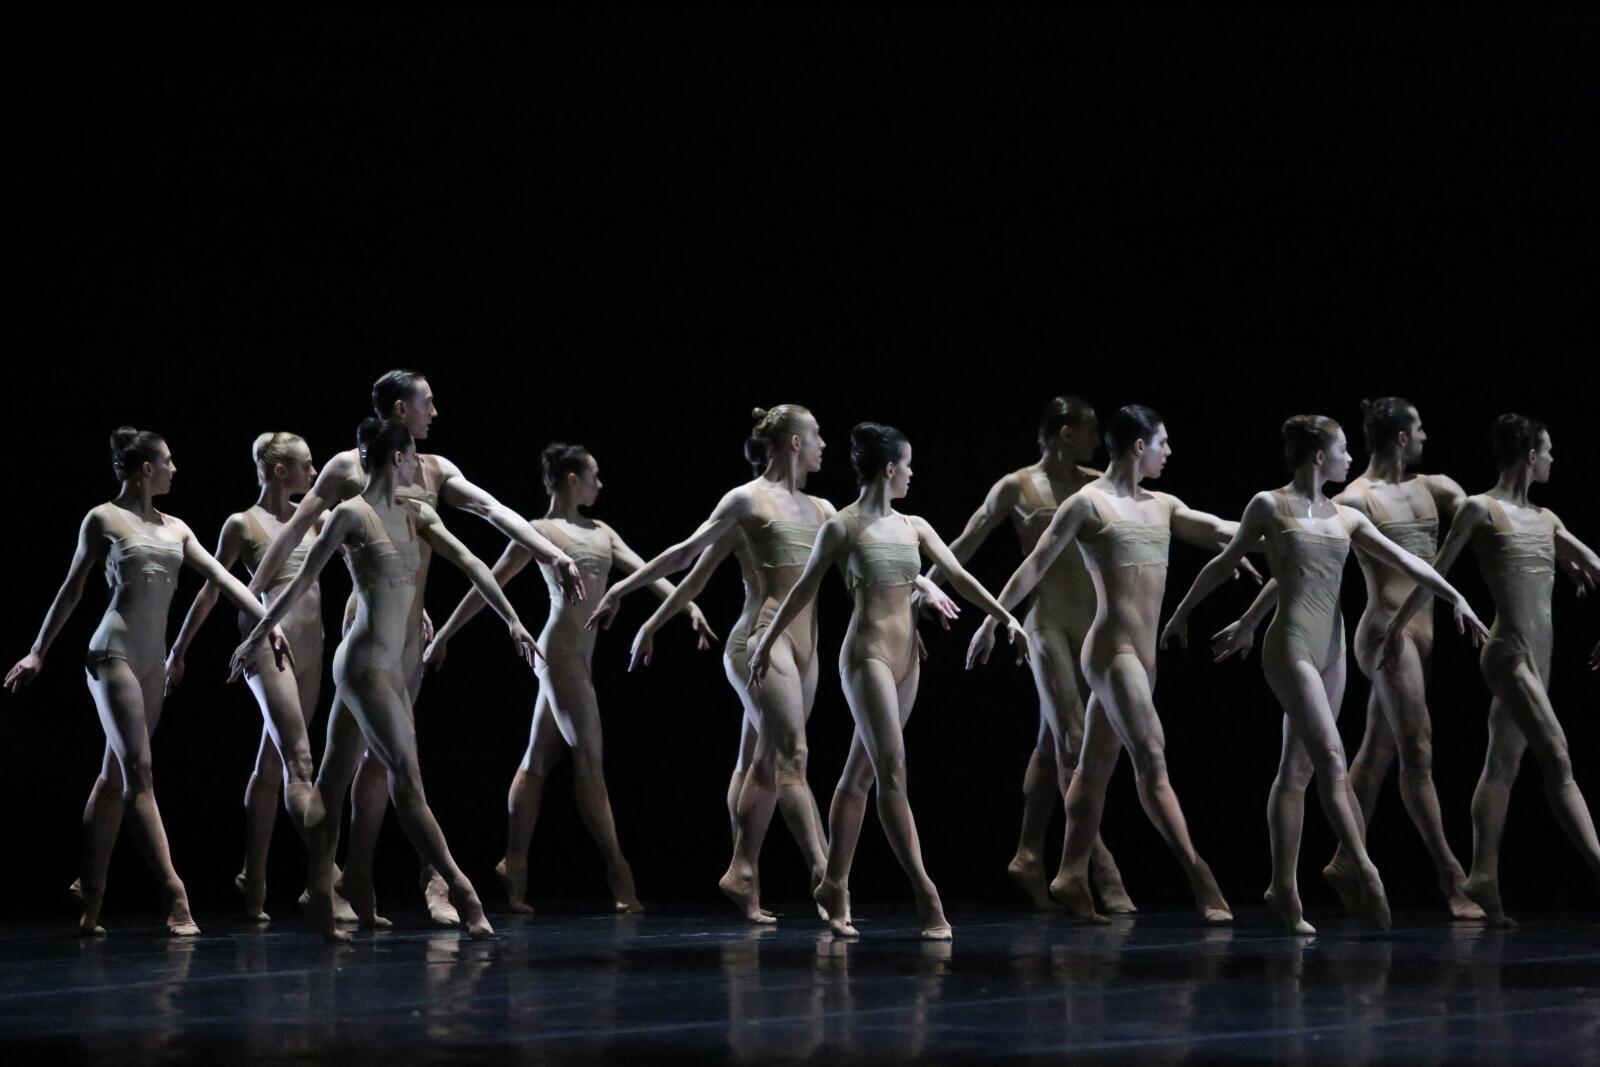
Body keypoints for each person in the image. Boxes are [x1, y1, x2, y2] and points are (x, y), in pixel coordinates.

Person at [248, 369, 583, 927]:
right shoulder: (348, 468)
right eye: (427, 402)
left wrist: (549, 552)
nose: (435, 412)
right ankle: (366, 881)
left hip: (409, 635)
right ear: (400, 410)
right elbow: (297, 535)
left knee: (378, 766)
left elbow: (491, 511)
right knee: (370, 767)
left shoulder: (434, 470)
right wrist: (255, 603)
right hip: (368, 629)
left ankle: (357, 876)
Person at [1163, 414, 1488, 933]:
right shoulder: (1269, 504)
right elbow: (1226, 562)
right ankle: (1365, 868)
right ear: (1319, 457)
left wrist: (1457, 598)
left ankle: (1283, 889)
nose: (1350, 458)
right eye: (1342, 450)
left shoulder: (1345, 517)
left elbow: (1408, 561)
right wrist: (1185, 613)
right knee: (1333, 757)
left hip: (1331, 648)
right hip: (1290, 647)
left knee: (1297, 771)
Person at [6, 427, 291, 936]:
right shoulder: (103, 518)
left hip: (152, 663)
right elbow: (72, 588)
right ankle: (175, 895)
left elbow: (223, 579)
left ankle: (90, 893)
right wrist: (37, 651)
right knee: (140, 770)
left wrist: (268, 622)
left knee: (114, 776)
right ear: (146, 469)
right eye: (168, 461)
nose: (174, 469)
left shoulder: (177, 528)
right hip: (111, 654)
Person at [969, 405, 1247, 925]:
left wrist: (1269, 532)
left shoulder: (1163, 504)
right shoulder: (1088, 503)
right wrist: (994, 619)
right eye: (1163, 443)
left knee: (1093, 768)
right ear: (1139, 446)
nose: (1169, 452)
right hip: (1111, 653)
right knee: (1152, 757)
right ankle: (1201, 878)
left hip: (1143, 658)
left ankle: (1071, 873)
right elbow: (1035, 563)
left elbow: (1216, 528)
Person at [750, 422, 1026, 939]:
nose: (913, 474)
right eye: (909, 465)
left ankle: (833, 883)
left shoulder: (913, 525)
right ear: (890, 468)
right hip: (866, 657)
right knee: (893, 773)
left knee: (859, 778)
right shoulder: (843, 526)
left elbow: (958, 575)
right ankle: (927, 896)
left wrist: (1004, 616)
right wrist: (764, 644)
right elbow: (802, 589)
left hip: (907, 660)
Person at [424, 443, 716, 913]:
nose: (600, 485)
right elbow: (490, 582)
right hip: (558, 652)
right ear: (571, 480)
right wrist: (444, 635)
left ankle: (514, 863)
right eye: (594, 476)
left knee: (537, 762)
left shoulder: (602, 532)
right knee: (590, 759)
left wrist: (688, 606)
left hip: (581, 656)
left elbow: (646, 570)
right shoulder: (539, 532)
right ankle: (619, 874)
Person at [586, 405, 834, 921]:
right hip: (758, 642)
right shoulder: (747, 500)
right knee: (792, 754)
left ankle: (743, 871)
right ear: (793, 442)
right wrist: (627, 593)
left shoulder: (823, 509)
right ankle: (827, 878)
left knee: (762, 761)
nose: (823, 445)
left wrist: (919, 590)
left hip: (807, 648)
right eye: (816, 435)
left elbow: (864, 552)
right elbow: (688, 559)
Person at [1379, 414, 1600, 925]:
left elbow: (1594, 563)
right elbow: (1436, 568)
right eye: (1547, 451)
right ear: (1530, 456)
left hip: (1541, 659)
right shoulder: (1481, 508)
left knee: (1501, 766)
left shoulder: (1547, 519)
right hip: (1507, 655)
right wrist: (1396, 627)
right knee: (1558, 756)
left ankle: (1482, 875)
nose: (1553, 459)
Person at [923, 396, 1132, 912]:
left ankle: (1028, 853)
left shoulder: (1096, 484)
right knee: (1072, 740)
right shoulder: (1015, 487)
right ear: (1065, 432)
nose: (1097, 440)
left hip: (1092, 621)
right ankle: (1099, 868)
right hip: (1046, 622)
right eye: (1090, 431)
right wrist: (922, 587)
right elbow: (965, 542)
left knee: (1050, 741)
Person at [165, 432, 347, 924]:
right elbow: (212, 589)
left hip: (312, 646)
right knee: (300, 760)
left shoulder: (317, 517)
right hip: (267, 646)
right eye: (307, 465)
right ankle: (329, 878)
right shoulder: (242, 524)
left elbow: (363, 562)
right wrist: (178, 650)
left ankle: (254, 878)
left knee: (272, 762)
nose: (315, 473)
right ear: (280, 470)